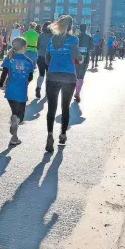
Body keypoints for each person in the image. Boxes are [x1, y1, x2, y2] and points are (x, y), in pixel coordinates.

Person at [44, 15, 83, 152]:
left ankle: (50, 135)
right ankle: (62, 134)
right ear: (71, 26)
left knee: (51, 108)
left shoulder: (51, 40)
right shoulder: (73, 39)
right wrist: (80, 58)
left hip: (52, 75)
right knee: (65, 107)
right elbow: (75, 54)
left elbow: (47, 60)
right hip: (68, 76)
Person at [2, 37, 34, 145]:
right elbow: (30, 77)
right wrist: (25, 81)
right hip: (21, 92)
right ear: (24, 47)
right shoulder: (29, 61)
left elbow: (4, 72)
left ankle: (14, 138)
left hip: (10, 90)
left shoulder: (9, 58)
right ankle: (17, 121)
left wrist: (1, 84)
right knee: (20, 114)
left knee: (14, 112)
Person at [74, 23, 93, 103]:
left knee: (76, 75)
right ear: (86, 29)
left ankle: (75, 90)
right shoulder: (89, 37)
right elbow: (91, 48)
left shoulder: (76, 37)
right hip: (85, 58)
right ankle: (77, 92)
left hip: (76, 58)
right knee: (81, 76)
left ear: (79, 29)